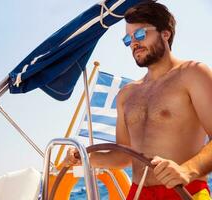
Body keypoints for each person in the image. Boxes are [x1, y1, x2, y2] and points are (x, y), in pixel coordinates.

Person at [64, 1, 212, 199]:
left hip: (185, 191)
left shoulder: (194, 74)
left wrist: (187, 170)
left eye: (140, 34)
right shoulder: (127, 94)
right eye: (128, 39)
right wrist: (85, 158)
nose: (133, 42)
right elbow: (124, 155)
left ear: (165, 34)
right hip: (138, 193)